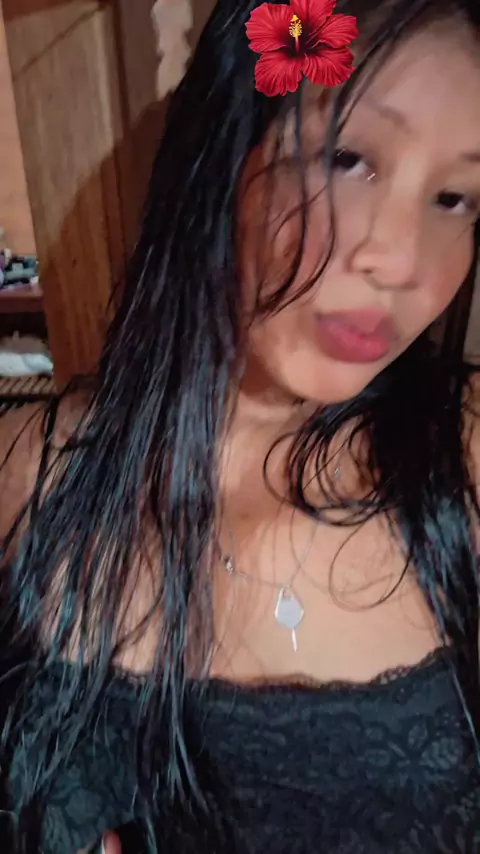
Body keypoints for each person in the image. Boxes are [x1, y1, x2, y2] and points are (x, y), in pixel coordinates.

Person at [0, 0, 480, 851]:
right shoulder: (28, 474)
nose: (402, 260)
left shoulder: (465, 456)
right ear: (221, 157)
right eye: (348, 158)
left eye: (455, 198)